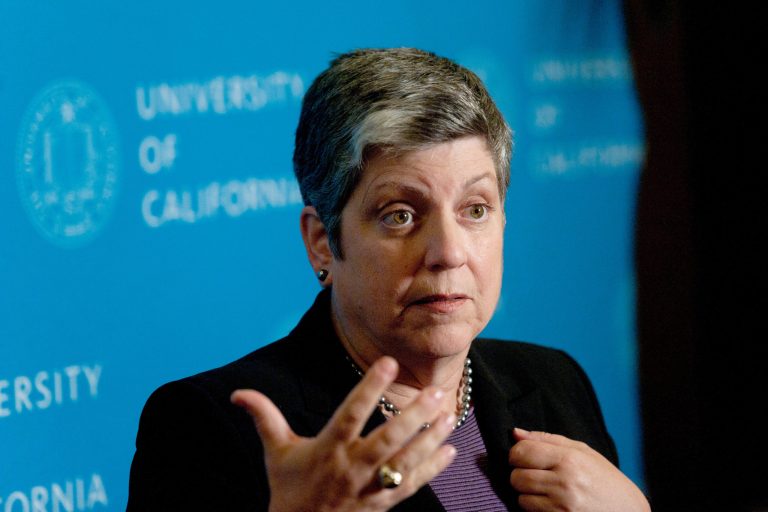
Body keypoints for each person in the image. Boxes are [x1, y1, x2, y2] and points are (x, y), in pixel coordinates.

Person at [127, 48, 650, 512]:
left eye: (475, 209)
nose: (448, 253)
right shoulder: (208, 427)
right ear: (322, 241)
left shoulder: (555, 383)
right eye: (400, 215)